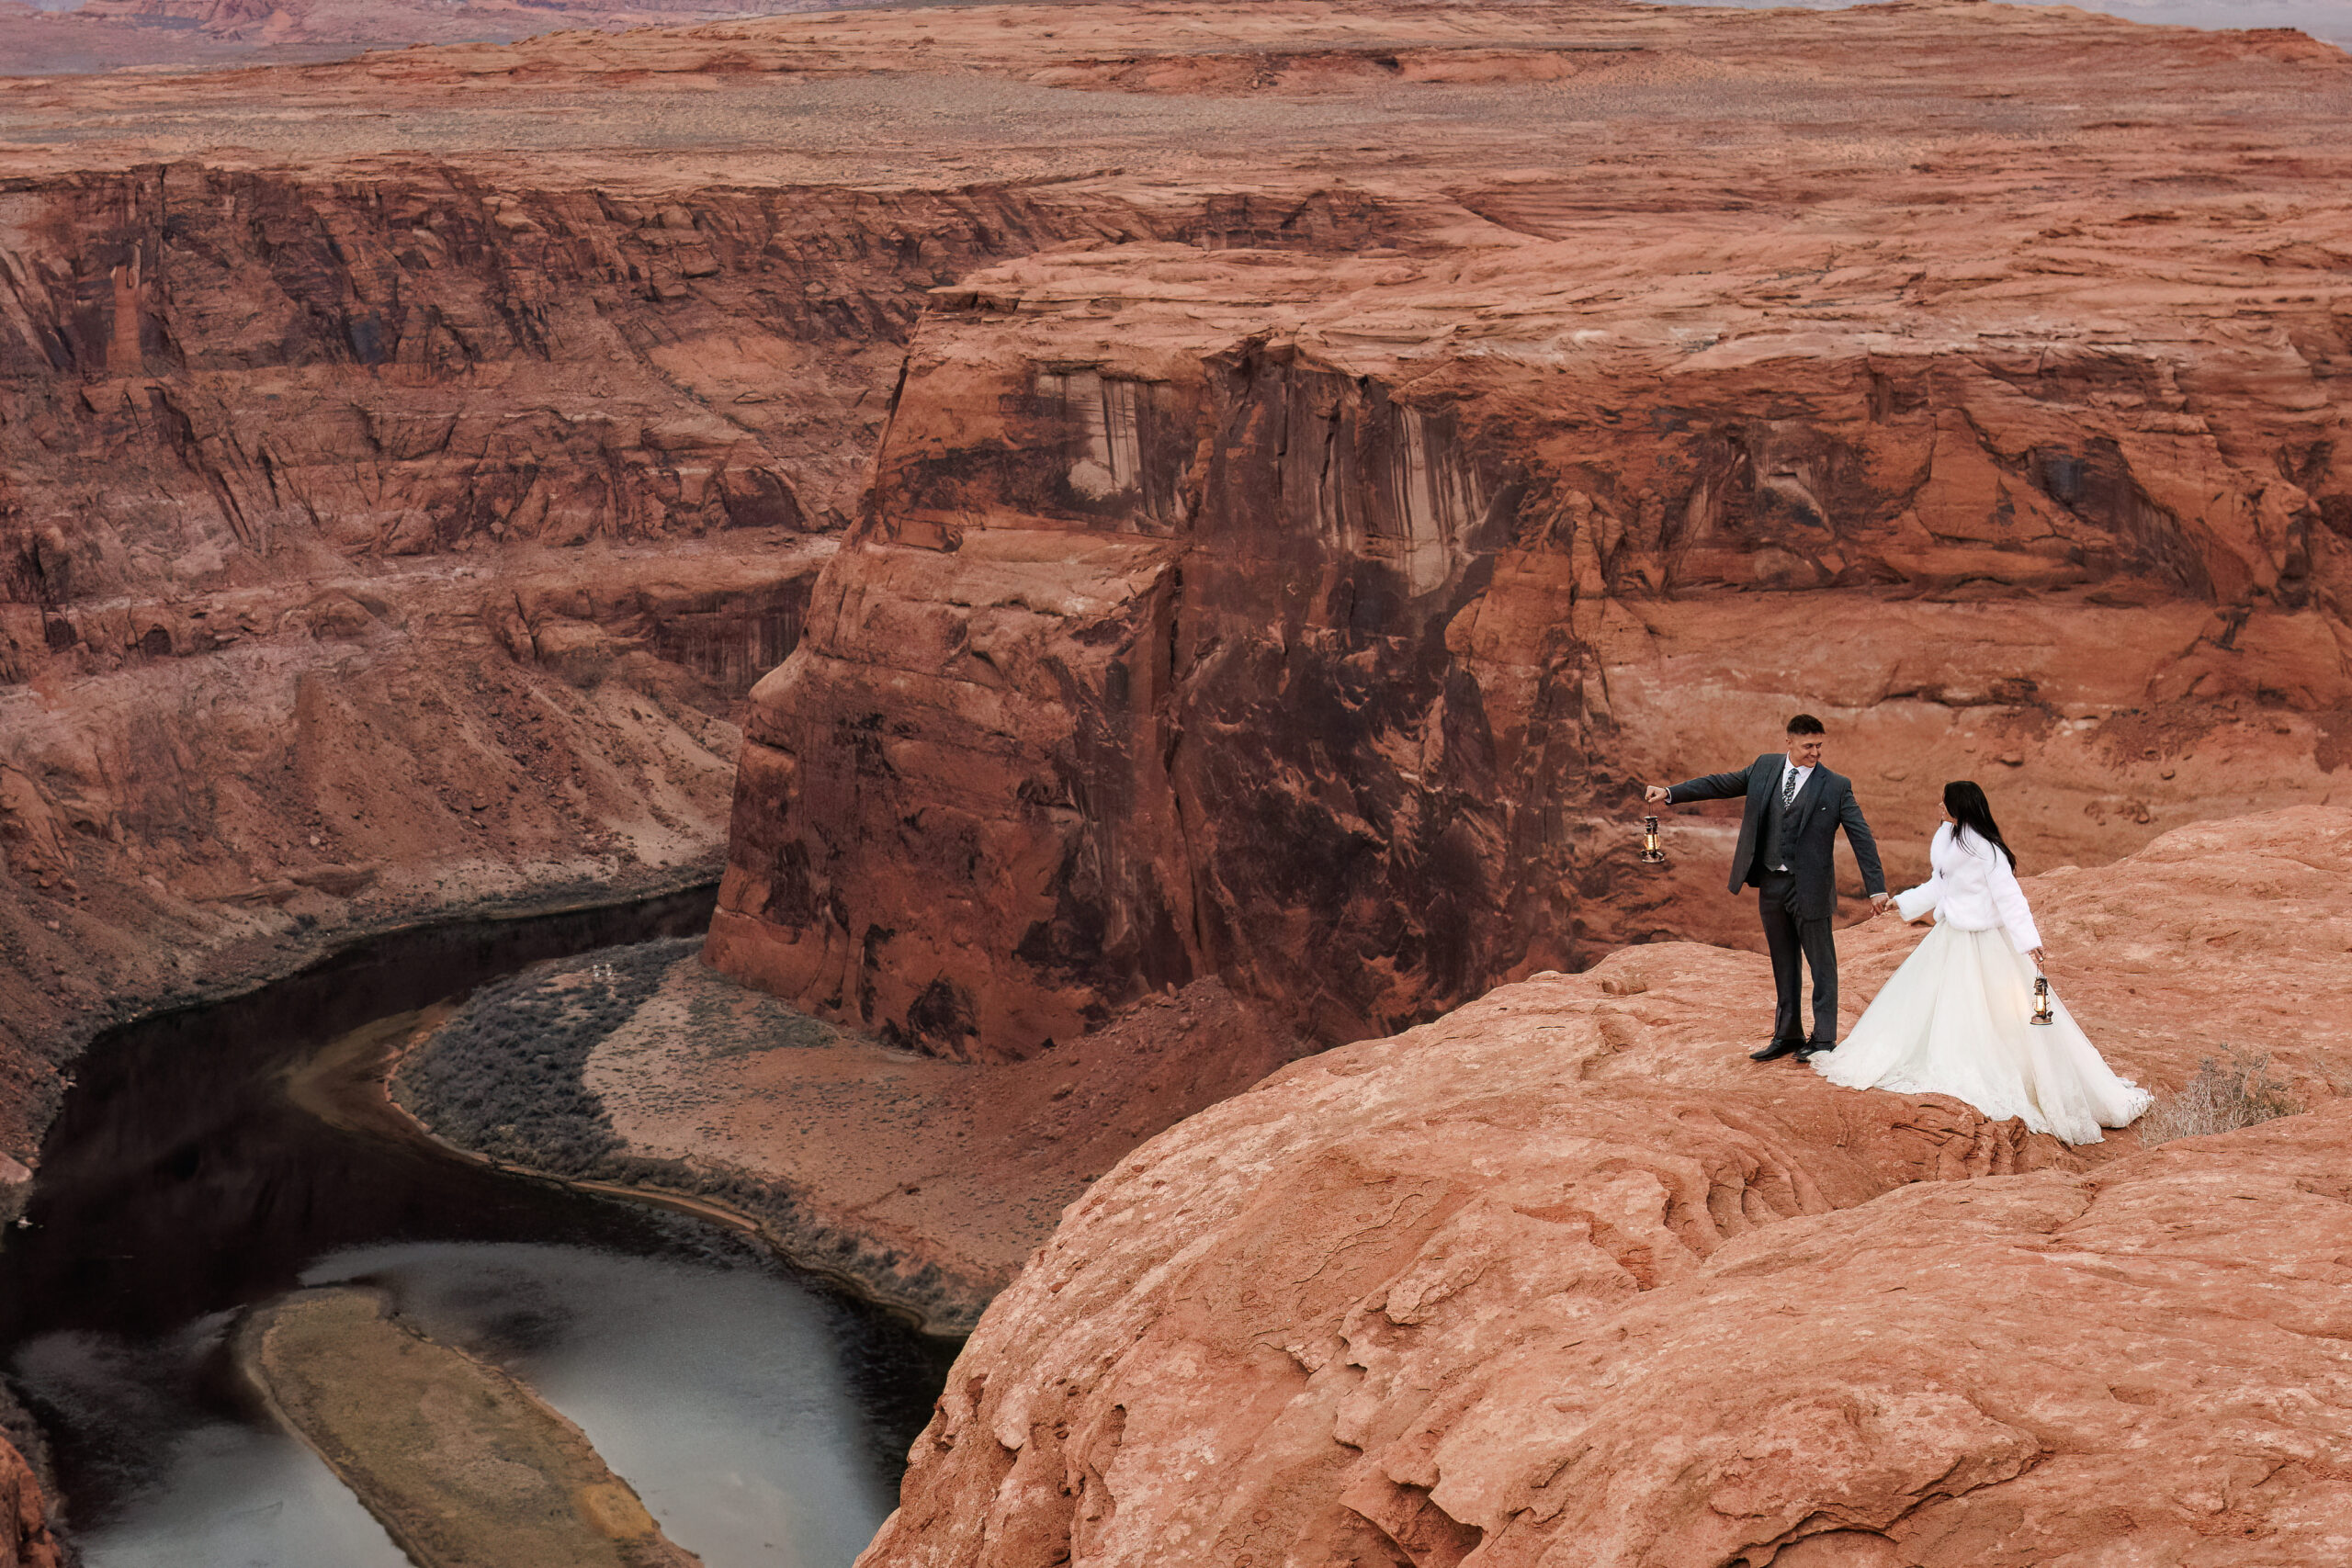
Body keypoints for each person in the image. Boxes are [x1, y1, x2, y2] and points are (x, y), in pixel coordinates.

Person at [1809, 781, 2150, 1144]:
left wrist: (2028, 942)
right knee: (1943, 1004)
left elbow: (2010, 898)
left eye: (1945, 801)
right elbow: (1939, 885)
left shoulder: (1987, 851)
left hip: (1985, 941)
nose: (1938, 805)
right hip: (1951, 936)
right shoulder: (1947, 838)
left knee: (1995, 1012)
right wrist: (1903, 902)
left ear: (1959, 807)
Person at [1645, 715, 1888, 1060]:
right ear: (1789, 742)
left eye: (1819, 745)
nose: (1815, 753)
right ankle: (1788, 1034)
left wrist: (1876, 887)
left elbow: (1861, 836)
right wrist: (1670, 793)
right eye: (1808, 746)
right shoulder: (1764, 767)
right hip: (1772, 883)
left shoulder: (1836, 785)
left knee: (1822, 965)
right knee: (1783, 962)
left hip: (1811, 888)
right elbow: (1719, 784)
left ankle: (1822, 1040)